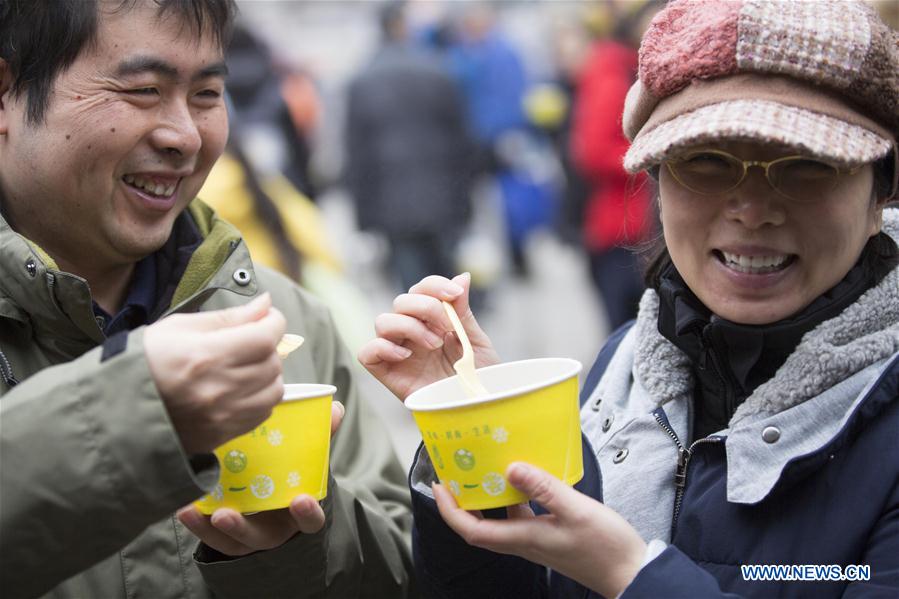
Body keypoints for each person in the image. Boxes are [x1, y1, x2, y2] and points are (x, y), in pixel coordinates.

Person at [359, 0, 899, 596]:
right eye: (707, 161)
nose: (751, 208)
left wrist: (630, 576)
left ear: (882, 194)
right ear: (658, 184)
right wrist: (485, 434)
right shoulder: (625, 362)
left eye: (805, 166)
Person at [0, 1, 413, 597]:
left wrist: (300, 543)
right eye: (143, 90)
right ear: (6, 94)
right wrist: (126, 416)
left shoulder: (281, 322)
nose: (185, 136)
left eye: (207, 93)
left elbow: (397, 572)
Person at [345, 1, 475, 294]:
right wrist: (466, 201)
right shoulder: (439, 70)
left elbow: (357, 155)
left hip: (392, 203)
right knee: (451, 284)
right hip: (443, 196)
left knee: (412, 287)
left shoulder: (362, 80)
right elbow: (463, 142)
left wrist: (362, 218)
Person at [569, 0, 660, 331]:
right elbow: (593, 151)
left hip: (639, 226)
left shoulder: (628, 64)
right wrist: (658, 153)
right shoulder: (613, 67)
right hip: (623, 229)